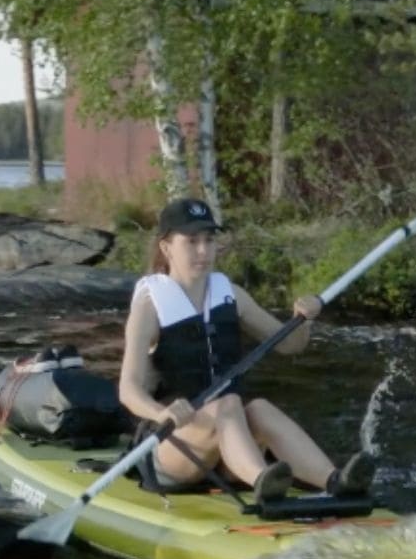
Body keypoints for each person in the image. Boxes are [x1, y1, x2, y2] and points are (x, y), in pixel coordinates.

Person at [118, 195, 374, 504]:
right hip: (172, 448)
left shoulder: (231, 295)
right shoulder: (150, 305)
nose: (203, 251)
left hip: (225, 449)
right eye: (192, 241)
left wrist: (303, 319)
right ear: (166, 247)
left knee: (259, 408)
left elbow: (291, 345)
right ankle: (263, 482)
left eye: (210, 240)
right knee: (227, 405)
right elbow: (128, 390)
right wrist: (163, 413)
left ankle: (335, 482)